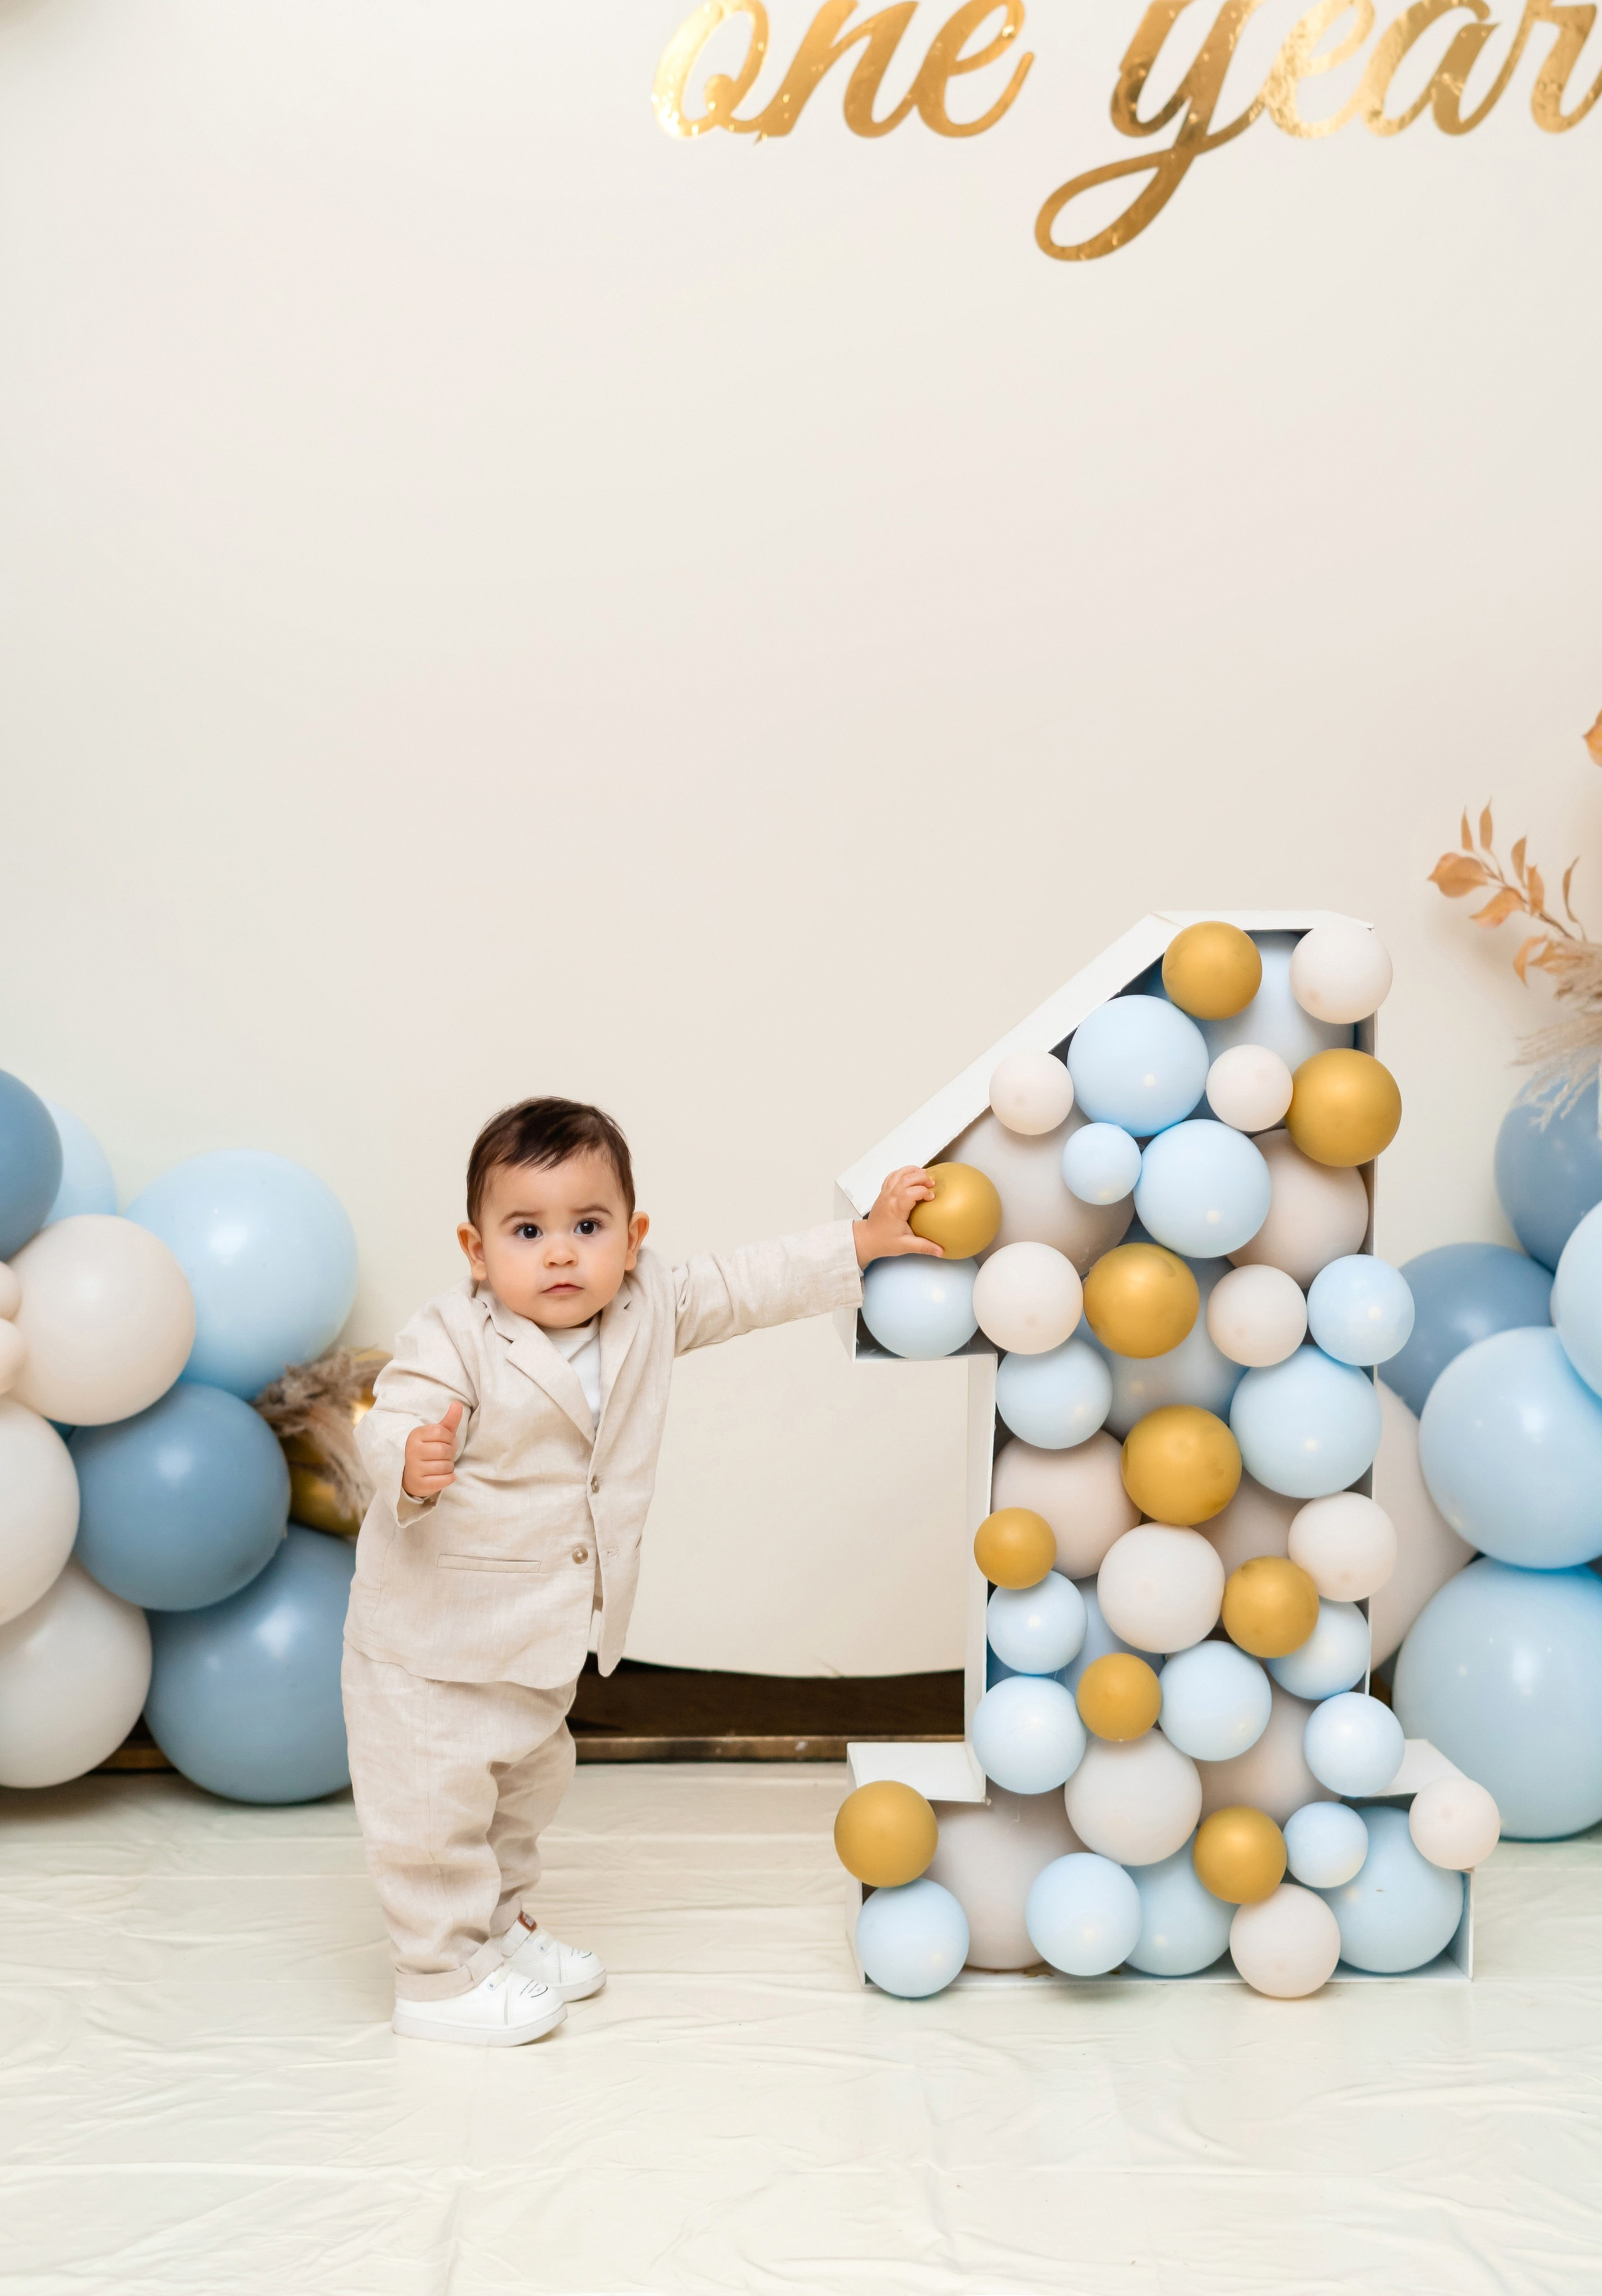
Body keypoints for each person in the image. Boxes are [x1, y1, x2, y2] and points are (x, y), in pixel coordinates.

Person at [345, 1095, 939, 2046]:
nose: (560, 1253)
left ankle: (497, 1928)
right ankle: (437, 1975)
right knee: (435, 1809)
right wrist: (410, 1457)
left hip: (541, 1631)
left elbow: (748, 1284)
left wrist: (860, 1244)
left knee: (523, 1788)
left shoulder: (648, 1301)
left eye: (588, 1226)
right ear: (475, 1248)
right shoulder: (453, 1335)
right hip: (433, 1637)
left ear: (633, 1236)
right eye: (526, 1230)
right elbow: (394, 1412)